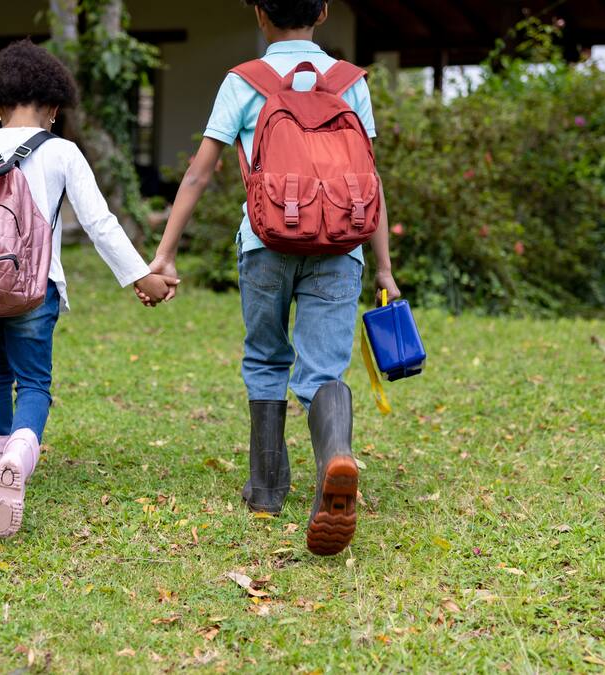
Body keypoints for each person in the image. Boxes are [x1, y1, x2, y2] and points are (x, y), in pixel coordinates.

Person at [142, 0, 400, 556]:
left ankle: (265, 489)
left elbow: (200, 172)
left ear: (260, 13)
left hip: (265, 243)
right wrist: (383, 266)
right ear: (325, 12)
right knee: (324, 367)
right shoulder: (349, 81)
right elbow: (369, 180)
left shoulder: (244, 81)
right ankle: (335, 455)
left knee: (265, 356)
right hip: (341, 246)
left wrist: (164, 254)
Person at [0, 40, 177, 538]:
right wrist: (140, 276)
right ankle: (20, 455)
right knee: (34, 383)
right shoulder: (62, 152)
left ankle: (0, 463)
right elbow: (100, 223)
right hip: (33, 290)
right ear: (55, 108)